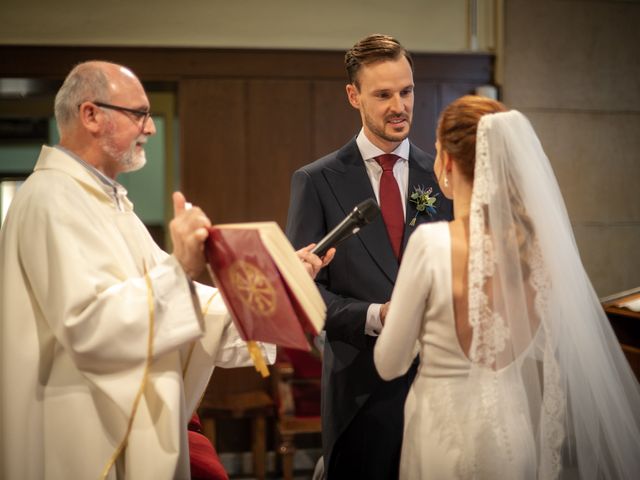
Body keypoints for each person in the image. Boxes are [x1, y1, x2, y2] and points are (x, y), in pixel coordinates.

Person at [0, 60, 332, 480]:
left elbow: (185, 300)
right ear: (90, 115)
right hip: (81, 433)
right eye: (137, 113)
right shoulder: (50, 199)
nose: (150, 127)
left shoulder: (108, 203)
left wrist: (276, 285)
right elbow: (89, 327)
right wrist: (181, 267)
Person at [374, 95, 640, 479]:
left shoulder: (431, 244)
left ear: (448, 161)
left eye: (435, 151)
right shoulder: (538, 251)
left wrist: (413, 326)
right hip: (512, 436)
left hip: (440, 435)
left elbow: (389, 364)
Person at [286, 34, 452, 479]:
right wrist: (377, 315)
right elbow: (303, 290)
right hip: (361, 394)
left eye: (407, 91)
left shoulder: (441, 174)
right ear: (353, 95)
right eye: (383, 94)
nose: (399, 106)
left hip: (439, 388)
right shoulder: (317, 181)